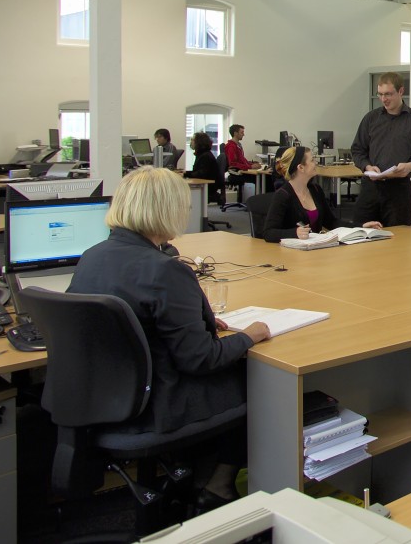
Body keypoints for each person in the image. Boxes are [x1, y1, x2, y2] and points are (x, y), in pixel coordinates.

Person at [67, 167, 271, 510]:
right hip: (155, 406)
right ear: (166, 211)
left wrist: (197, 321)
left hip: (104, 398)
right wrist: (249, 336)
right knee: (261, 384)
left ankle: (192, 472)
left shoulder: (92, 256)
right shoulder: (166, 269)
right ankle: (218, 485)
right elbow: (201, 359)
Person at [351, 72, 411, 227]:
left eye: (388, 94)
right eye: (380, 94)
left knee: (398, 237)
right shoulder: (370, 119)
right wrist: (367, 167)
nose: (384, 99)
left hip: (399, 191)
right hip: (370, 189)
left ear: (401, 91)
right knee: (360, 234)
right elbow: (357, 150)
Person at [263, 146, 383, 242]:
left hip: (316, 249)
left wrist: (361, 226)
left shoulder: (316, 190)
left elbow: (332, 222)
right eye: (312, 160)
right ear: (301, 167)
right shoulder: (283, 195)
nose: (316, 163)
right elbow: (269, 232)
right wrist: (294, 233)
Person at [186, 131, 223, 204]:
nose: (191, 142)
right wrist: (185, 173)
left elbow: (201, 174)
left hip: (209, 186)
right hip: (207, 183)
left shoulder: (205, 156)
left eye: (193, 140)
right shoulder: (202, 154)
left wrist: (186, 174)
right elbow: (198, 172)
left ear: (199, 142)